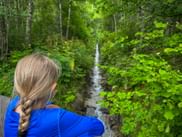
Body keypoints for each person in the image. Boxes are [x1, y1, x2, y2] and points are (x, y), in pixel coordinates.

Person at [4, 53, 104, 137]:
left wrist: (47, 107)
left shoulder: (13, 105)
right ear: (53, 88)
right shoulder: (58, 118)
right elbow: (99, 127)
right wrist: (57, 110)